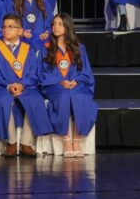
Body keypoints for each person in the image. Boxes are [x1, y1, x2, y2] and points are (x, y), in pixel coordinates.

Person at [0, 14, 54, 156]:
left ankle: (26, 142)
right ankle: (11, 142)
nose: (6, 30)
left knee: (35, 100)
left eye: (10, 27)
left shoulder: (28, 49)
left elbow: (33, 72)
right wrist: (8, 85)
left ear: (20, 31)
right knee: (1, 100)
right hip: (2, 87)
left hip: (26, 86)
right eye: (4, 27)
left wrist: (22, 85)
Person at [40, 13, 97, 158]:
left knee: (79, 95)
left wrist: (76, 81)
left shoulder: (79, 48)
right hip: (54, 85)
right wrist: (60, 81)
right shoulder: (46, 48)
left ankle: (76, 141)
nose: (56, 27)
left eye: (60, 24)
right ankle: (66, 140)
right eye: (54, 24)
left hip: (76, 83)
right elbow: (43, 72)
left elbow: (86, 71)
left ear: (67, 26)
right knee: (64, 95)